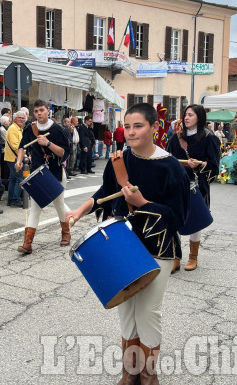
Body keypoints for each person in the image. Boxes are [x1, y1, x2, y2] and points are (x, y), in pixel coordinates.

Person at [65, 103, 190, 385]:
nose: (131, 132)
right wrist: (79, 210)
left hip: (158, 247)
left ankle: (148, 375)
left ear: (155, 128)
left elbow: (179, 217)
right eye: (128, 126)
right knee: (126, 309)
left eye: (139, 126)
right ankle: (129, 373)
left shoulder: (171, 167)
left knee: (147, 310)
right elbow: (106, 191)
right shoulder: (120, 160)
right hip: (123, 244)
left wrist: (142, 204)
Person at [166, 104, 221, 272]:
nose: (186, 117)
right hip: (177, 184)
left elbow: (214, 165)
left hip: (197, 184)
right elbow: (167, 159)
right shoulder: (176, 138)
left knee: (195, 220)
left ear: (199, 117)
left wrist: (200, 164)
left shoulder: (209, 138)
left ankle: (193, 257)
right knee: (173, 219)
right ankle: (175, 257)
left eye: (190, 114)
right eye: (185, 114)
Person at [15, 99, 71, 254]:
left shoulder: (58, 130)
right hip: (37, 173)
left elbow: (64, 153)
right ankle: (27, 243)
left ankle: (66, 233)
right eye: (36, 111)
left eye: (41, 110)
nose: (39, 113)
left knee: (59, 205)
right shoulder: (29, 128)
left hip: (55, 172)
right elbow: (22, 146)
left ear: (48, 111)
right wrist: (19, 160)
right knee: (35, 208)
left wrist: (48, 144)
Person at [4, 111, 26, 208]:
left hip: (14, 157)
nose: (21, 119)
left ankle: (11, 199)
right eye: (19, 117)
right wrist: (24, 155)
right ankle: (15, 199)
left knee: (13, 179)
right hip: (14, 158)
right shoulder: (13, 128)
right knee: (20, 178)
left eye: (23, 118)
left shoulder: (19, 129)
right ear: (15, 119)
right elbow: (15, 145)